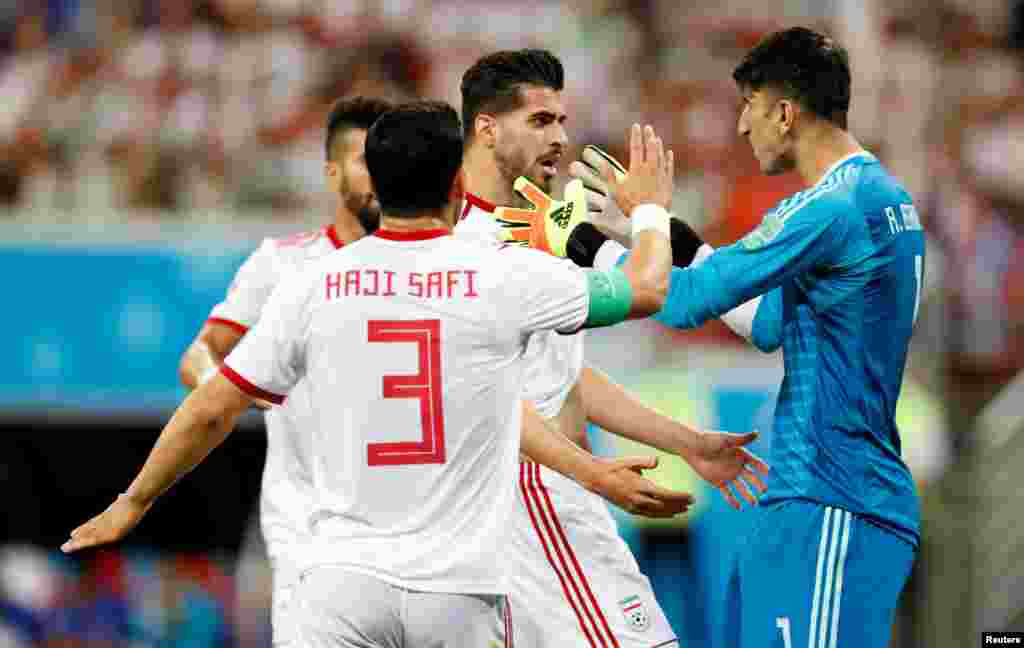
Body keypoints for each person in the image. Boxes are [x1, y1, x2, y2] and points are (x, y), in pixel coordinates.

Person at [60, 100, 686, 646]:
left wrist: (133, 501)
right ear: (455, 183)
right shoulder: (502, 274)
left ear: (379, 188)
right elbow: (646, 289)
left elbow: (211, 408)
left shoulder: (313, 283)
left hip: (340, 584)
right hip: (458, 590)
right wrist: (651, 212)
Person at [554, 27, 923, 648]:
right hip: (817, 498)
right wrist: (654, 236)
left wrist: (581, 243)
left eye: (749, 106)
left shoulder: (829, 207)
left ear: (786, 111)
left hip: (836, 500)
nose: (742, 126)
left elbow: (685, 303)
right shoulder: (873, 197)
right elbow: (768, 323)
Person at [457, 48, 768, 648]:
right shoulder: (475, 247)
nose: (560, 138)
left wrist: (687, 442)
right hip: (537, 497)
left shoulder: (525, 225)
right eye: (541, 121)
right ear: (487, 128)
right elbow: (650, 291)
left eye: (563, 121)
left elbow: (563, 377)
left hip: (535, 496)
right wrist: (650, 213)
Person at [177, 96, 392, 648]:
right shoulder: (283, 263)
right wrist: (229, 393)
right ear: (332, 171)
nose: (380, 175)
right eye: (365, 159)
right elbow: (200, 354)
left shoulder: (427, 261)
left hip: (404, 522)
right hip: (307, 529)